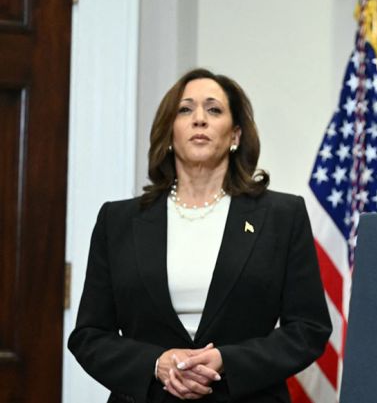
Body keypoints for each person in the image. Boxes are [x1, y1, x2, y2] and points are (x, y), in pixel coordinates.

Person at [68, 69, 332, 402]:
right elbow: (90, 335)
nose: (199, 119)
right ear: (169, 133)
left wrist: (228, 361)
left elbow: (308, 329)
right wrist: (155, 363)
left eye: (214, 109)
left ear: (235, 135)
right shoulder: (117, 220)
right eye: (185, 109)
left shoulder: (282, 216)